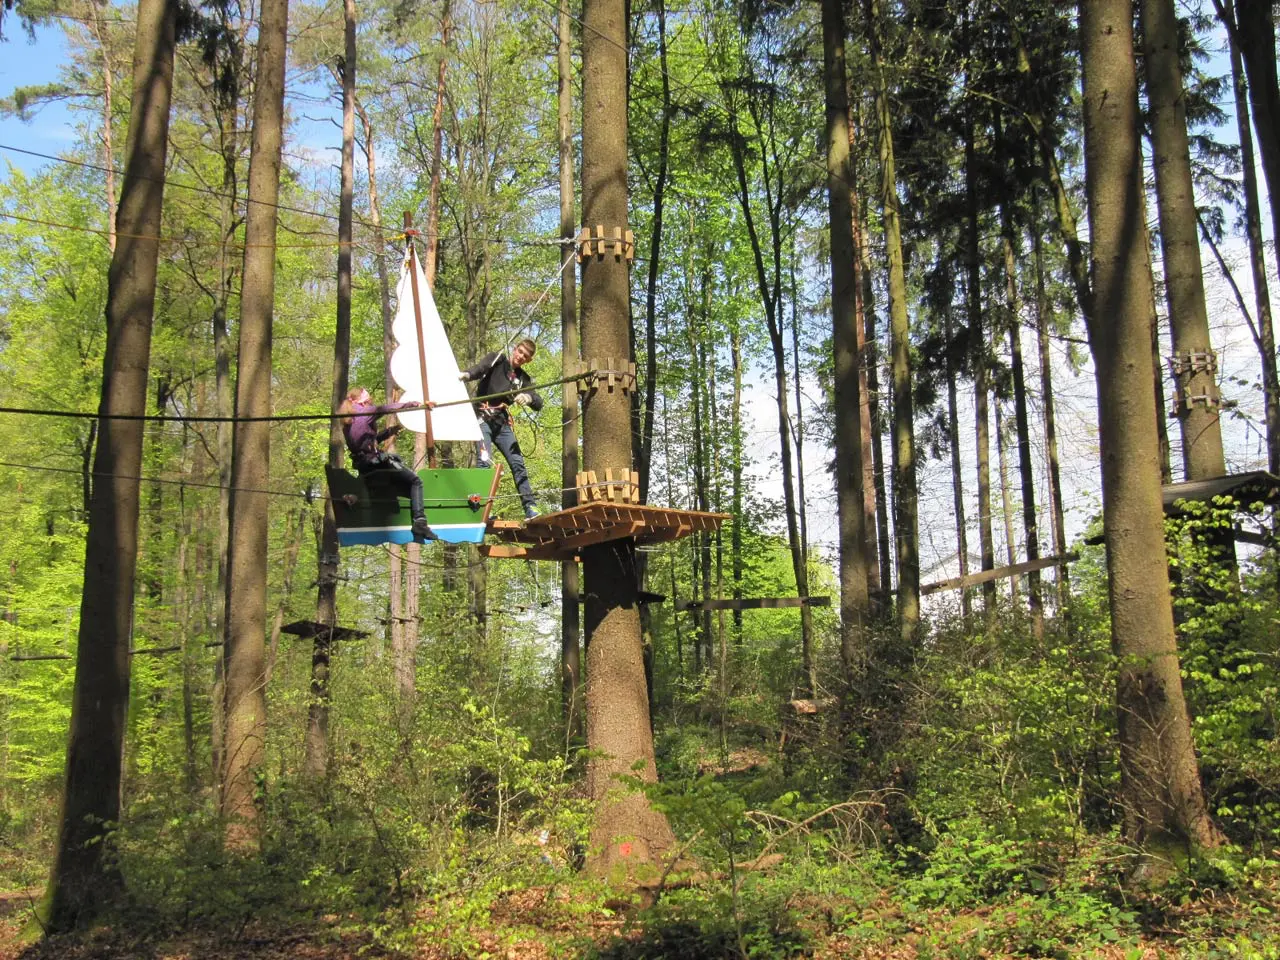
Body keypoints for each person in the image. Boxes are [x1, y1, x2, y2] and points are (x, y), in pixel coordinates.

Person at [339, 386, 438, 541]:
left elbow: (367, 444)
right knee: (416, 481)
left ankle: (413, 517)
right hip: (377, 465)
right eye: (368, 401)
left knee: (407, 489)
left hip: (365, 467)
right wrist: (414, 404)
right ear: (361, 401)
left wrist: (390, 432)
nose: (370, 403)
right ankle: (420, 522)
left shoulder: (348, 421)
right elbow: (385, 408)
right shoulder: (363, 412)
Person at [460, 338, 543, 519]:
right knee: (484, 461)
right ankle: (480, 508)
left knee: (517, 462)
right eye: (520, 352)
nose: (520, 357)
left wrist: (528, 398)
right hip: (482, 419)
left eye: (525, 356)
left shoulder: (523, 380)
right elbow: (480, 368)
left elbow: (538, 401)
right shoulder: (497, 360)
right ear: (515, 349)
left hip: (502, 424)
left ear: (528, 360)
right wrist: (466, 375)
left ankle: (530, 507)